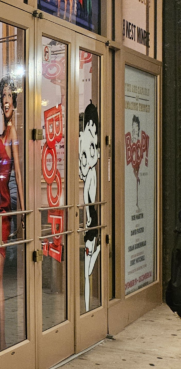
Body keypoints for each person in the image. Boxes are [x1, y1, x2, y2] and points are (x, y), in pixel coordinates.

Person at [0, 77, 23, 351]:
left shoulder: (12, 134)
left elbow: (19, 174)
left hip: (1, 210)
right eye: (2, 95)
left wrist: (21, 211)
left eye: (9, 96)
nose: (5, 100)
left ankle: (2, 342)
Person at [79, 102, 101, 312]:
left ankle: (88, 310)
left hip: (91, 226)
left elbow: (90, 203)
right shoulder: (90, 175)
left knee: (87, 272)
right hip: (90, 226)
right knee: (86, 272)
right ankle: (87, 310)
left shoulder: (92, 176)